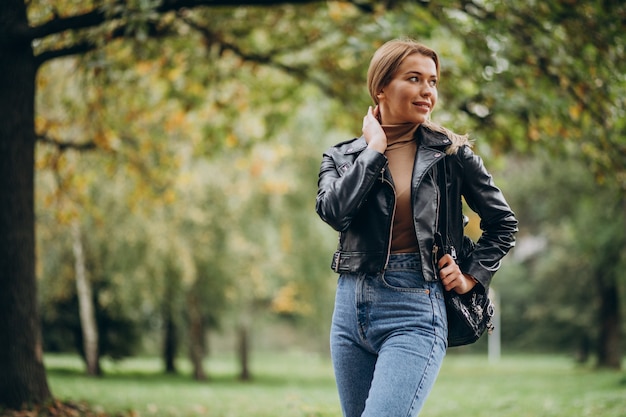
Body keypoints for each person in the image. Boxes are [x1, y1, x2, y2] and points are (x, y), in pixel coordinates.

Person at [315, 38, 518, 417]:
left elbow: (503, 223)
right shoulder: (342, 157)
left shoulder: (451, 155)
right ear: (381, 87)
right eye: (415, 78)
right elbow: (334, 212)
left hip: (415, 306)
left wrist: (472, 275)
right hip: (349, 308)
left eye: (433, 81)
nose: (428, 91)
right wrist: (374, 150)